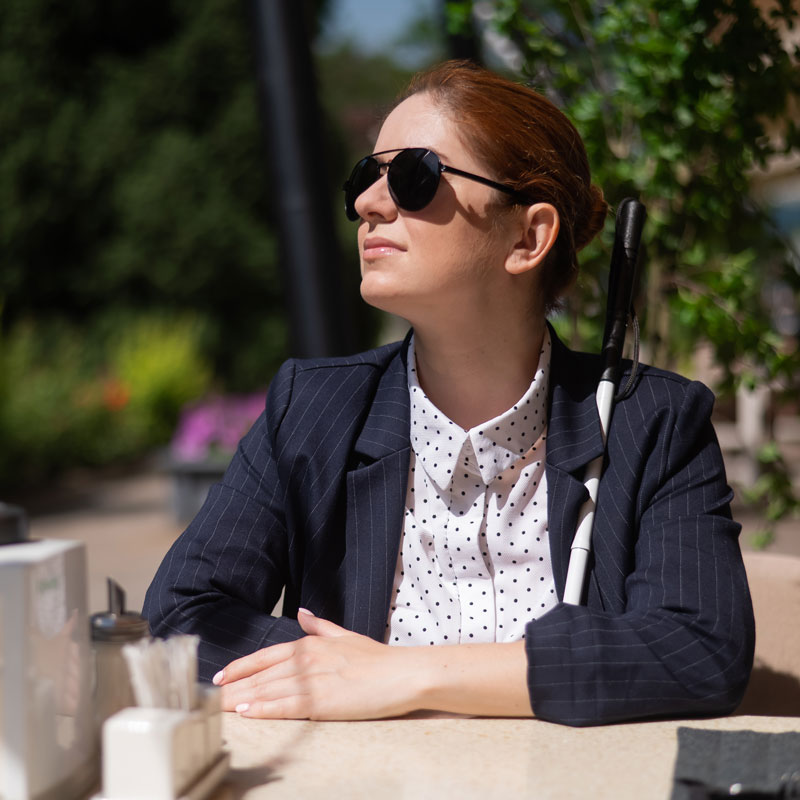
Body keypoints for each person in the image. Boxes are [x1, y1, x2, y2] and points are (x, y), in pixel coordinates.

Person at [143, 60, 754, 726]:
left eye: (413, 176)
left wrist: (401, 674)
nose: (367, 204)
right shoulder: (311, 411)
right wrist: (322, 671)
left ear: (529, 236)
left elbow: (701, 648)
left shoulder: (652, 423)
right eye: (365, 177)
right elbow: (178, 619)